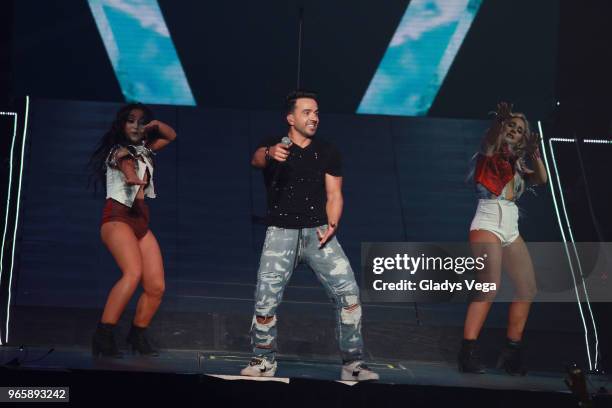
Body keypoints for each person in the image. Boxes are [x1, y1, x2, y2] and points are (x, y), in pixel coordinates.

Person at [240, 90, 379, 381]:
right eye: (307, 112)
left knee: (349, 294)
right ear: (290, 118)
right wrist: (269, 153)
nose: (313, 117)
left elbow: (335, 194)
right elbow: (256, 160)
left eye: (316, 113)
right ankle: (263, 360)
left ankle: (353, 363)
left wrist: (333, 222)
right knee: (266, 299)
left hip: (318, 233)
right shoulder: (274, 146)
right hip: (281, 233)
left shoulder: (327, 151)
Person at [458, 102, 547, 375]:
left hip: (510, 225)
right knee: (489, 287)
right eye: (511, 125)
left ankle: (511, 352)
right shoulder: (489, 153)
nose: (514, 131)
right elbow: (489, 139)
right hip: (487, 221)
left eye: (519, 129)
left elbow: (542, 180)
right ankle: (467, 352)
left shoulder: (518, 165)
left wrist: (534, 154)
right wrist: (499, 122)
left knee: (527, 288)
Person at [88, 103, 177, 357]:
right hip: (117, 218)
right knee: (132, 273)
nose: (136, 126)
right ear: (121, 125)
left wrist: (156, 125)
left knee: (156, 286)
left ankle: (137, 334)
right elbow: (125, 162)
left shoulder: (147, 150)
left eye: (141, 121)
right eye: (131, 120)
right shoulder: (117, 151)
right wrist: (130, 175)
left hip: (140, 220)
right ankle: (103, 336)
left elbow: (171, 136)